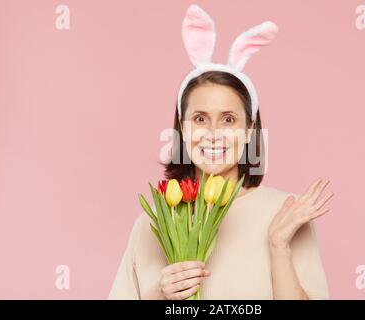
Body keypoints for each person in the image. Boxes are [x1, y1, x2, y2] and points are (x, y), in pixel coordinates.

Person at [108, 4, 333, 300]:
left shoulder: (286, 215)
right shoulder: (152, 223)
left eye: (228, 119)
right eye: (200, 119)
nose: (213, 134)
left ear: (250, 129)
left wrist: (279, 248)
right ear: (183, 129)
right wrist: (161, 298)